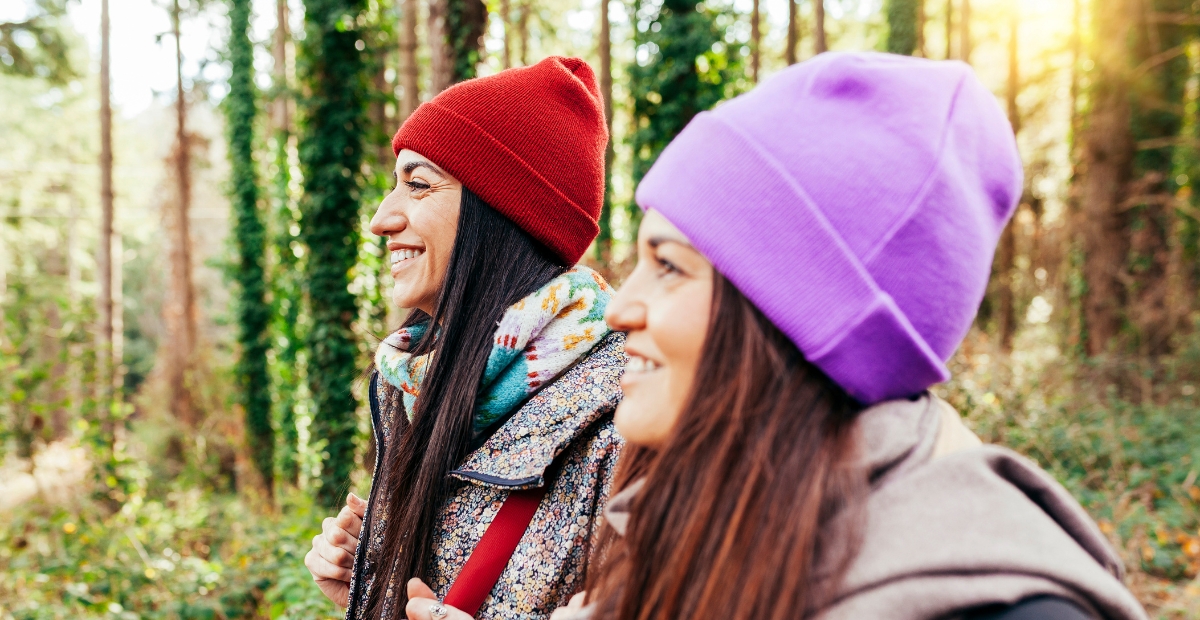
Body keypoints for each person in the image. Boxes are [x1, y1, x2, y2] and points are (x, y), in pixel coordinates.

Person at [406, 52, 1149, 620]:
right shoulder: (689, 533)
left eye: (668, 266)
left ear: (794, 317)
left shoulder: (1005, 608)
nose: (620, 306)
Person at [303, 56, 626, 620]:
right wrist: (372, 587)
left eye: (418, 185)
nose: (381, 219)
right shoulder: (417, 380)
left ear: (502, 216)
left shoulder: (630, 414)